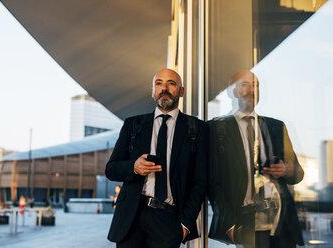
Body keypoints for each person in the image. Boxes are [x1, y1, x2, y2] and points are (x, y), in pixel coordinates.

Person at [105, 68, 206, 248]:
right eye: (158, 83)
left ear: (181, 91)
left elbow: (201, 181)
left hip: (169, 220)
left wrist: (184, 225)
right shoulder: (133, 125)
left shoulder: (197, 129)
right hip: (131, 219)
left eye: (171, 83)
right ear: (152, 92)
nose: (164, 88)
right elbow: (111, 169)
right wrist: (134, 167)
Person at [208, 70, 304, 247]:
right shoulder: (216, 128)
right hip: (244, 219)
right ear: (232, 91)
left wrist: (286, 169)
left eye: (256, 85)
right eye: (245, 84)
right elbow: (212, 181)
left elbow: (298, 174)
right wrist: (228, 221)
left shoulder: (276, 126)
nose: (253, 90)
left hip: (281, 220)